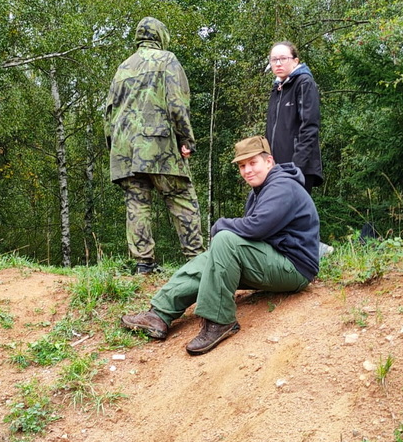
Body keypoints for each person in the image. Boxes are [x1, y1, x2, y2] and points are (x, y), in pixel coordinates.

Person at [121, 136, 319, 355]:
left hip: (295, 268)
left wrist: (220, 225)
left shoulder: (282, 186)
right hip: (272, 260)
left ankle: (220, 320)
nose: (247, 170)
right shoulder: (261, 190)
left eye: (253, 163)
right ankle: (159, 314)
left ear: (269, 162)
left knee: (225, 239)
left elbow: (257, 228)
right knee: (209, 258)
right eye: (242, 166)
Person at [105, 16, 204, 274]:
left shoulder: (122, 68)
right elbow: (177, 103)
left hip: (124, 149)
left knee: (137, 203)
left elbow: (109, 112)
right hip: (158, 145)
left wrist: (114, 147)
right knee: (180, 196)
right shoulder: (167, 60)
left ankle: (144, 264)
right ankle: (197, 262)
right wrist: (186, 139)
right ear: (160, 36)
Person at [265, 41, 322, 191]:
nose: (278, 63)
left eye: (283, 58)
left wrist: (296, 168)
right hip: (277, 168)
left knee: (293, 207)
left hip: (297, 169)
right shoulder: (277, 88)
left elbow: (309, 127)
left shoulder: (304, 83)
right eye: (274, 59)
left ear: (295, 61)